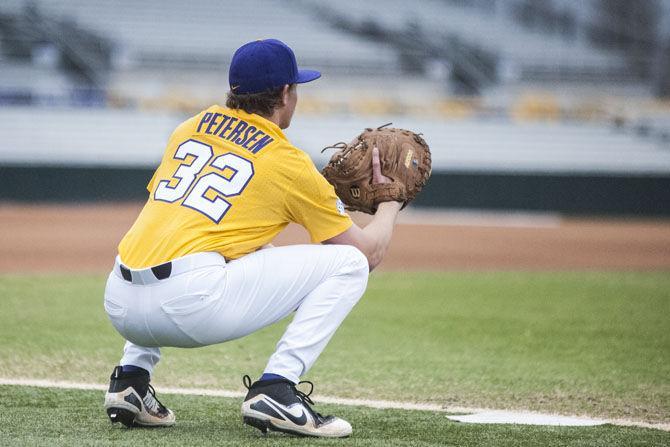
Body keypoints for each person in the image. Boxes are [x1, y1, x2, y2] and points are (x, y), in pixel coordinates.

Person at [102, 38, 402, 438]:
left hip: (120, 302)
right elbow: (366, 254)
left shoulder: (189, 127)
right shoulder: (287, 161)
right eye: (295, 88)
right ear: (284, 93)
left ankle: (131, 381)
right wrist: (391, 200)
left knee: (190, 242)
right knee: (347, 264)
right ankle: (278, 387)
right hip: (189, 305)